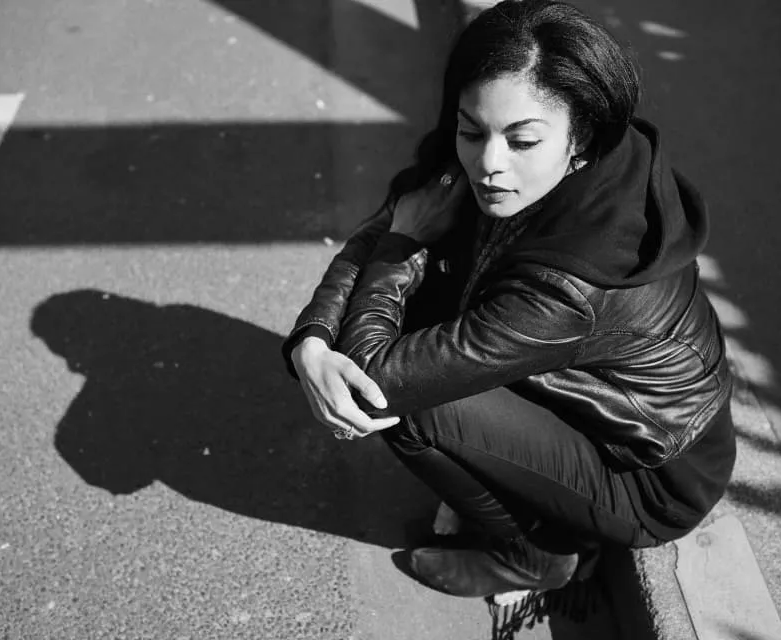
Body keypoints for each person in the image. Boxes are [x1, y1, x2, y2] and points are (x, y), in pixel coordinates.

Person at [282, 0, 736, 608]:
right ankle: (504, 483)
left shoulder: (572, 284)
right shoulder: (519, 145)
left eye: (521, 141)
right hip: (573, 397)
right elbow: (397, 217)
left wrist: (400, 247)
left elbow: (376, 377)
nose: (488, 164)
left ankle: (535, 557)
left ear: (581, 140)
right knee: (416, 295)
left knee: (409, 406)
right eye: (471, 131)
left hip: (644, 476)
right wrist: (312, 337)